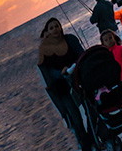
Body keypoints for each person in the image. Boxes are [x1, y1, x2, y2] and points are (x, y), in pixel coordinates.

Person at [36, 17, 91, 149]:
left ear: (60, 27)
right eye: (51, 28)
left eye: (57, 26)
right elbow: (49, 72)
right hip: (63, 89)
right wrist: (61, 72)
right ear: (48, 32)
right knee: (76, 119)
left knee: (90, 109)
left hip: (79, 81)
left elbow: (81, 54)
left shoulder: (70, 39)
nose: (55, 29)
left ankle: (93, 137)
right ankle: (85, 145)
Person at [98, 28, 122, 104]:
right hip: (115, 81)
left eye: (110, 38)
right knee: (121, 100)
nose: (109, 41)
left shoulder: (120, 49)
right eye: (106, 40)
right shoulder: (105, 54)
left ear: (114, 38)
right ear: (103, 43)